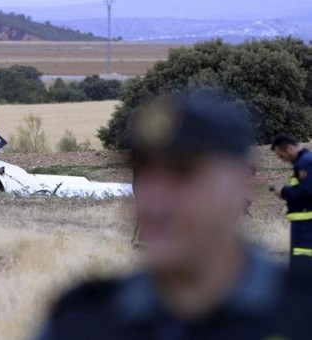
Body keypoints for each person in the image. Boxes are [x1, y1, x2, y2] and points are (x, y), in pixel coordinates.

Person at [38, 93, 312, 339]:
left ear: (240, 185)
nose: (156, 201)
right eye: (144, 173)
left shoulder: (301, 313)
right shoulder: (82, 323)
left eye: (183, 173)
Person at [271, 134, 312, 271]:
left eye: (282, 156)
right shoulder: (306, 160)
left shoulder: (304, 163)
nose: (283, 161)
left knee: (302, 259)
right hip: (304, 222)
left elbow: (307, 191)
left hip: (305, 223)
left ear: (289, 149)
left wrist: (284, 192)